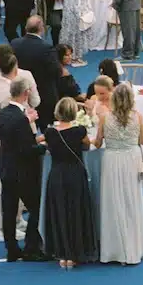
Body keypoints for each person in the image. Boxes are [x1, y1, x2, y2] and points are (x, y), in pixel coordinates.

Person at [0, 46, 38, 241]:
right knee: (6, 186)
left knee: (11, 182)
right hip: (15, 141)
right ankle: (3, 228)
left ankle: (16, 219)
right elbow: (36, 102)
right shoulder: (23, 81)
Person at [0, 75, 48, 262]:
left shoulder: (4, 113)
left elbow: (14, 142)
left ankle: (11, 249)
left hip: (6, 170)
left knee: (9, 211)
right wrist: (45, 147)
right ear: (26, 93)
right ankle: (31, 248)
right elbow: (26, 150)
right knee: (36, 207)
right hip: (22, 173)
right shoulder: (20, 119)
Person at [96, 81, 143, 265]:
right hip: (131, 159)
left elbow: (97, 142)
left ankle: (114, 249)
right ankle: (134, 246)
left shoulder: (105, 117)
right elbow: (142, 140)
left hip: (112, 160)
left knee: (112, 201)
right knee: (131, 201)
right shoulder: (138, 117)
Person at [44, 97, 99, 269]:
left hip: (57, 175)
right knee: (75, 211)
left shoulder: (50, 133)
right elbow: (87, 146)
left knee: (60, 211)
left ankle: (63, 253)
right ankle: (76, 252)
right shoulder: (79, 131)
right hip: (75, 174)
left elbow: (43, 142)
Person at [13, 15, 63, 126]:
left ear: (26, 27)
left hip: (21, 92)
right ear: (42, 28)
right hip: (44, 94)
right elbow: (56, 71)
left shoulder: (15, 44)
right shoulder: (47, 48)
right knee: (48, 127)